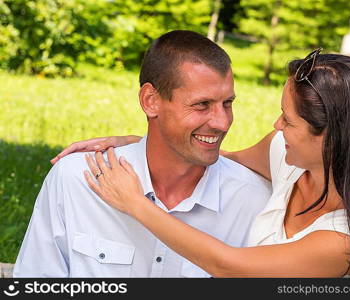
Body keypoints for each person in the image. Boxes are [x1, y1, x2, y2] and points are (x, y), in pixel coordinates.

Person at [54, 49, 350, 277]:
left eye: (288, 121)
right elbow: (218, 154)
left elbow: (229, 267)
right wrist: (145, 141)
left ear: (330, 139)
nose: (277, 126)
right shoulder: (285, 154)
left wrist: (135, 203)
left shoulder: (347, 240)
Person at [12, 30, 272, 278]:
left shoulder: (253, 202)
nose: (222, 123)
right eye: (202, 104)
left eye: (227, 103)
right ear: (151, 101)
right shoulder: (76, 179)